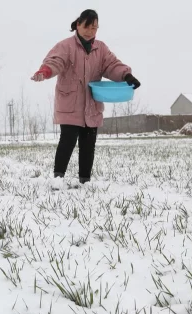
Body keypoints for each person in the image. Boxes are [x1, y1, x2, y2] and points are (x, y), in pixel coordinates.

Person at [31, 9, 140, 184]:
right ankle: (58, 179)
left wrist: (127, 76)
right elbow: (55, 61)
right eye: (87, 27)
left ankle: (85, 181)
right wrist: (45, 72)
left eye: (95, 28)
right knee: (67, 141)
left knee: (88, 145)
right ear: (78, 25)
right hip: (70, 102)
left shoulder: (101, 48)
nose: (90, 32)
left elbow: (112, 65)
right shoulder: (66, 46)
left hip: (92, 104)